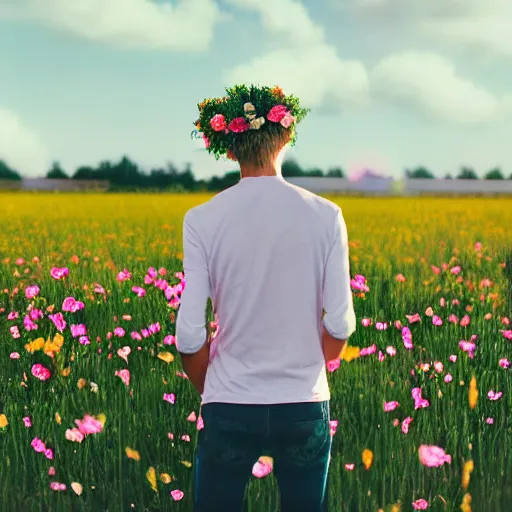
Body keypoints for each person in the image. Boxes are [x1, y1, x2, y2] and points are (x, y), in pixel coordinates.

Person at [176, 84, 356, 512]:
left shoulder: (201, 219)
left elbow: (188, 336)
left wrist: (215, 388)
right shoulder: (326, 215)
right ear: (286, 138)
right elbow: (340, 324)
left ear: (227, 147)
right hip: (303, 403)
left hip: (229, 402)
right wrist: (308, 364)